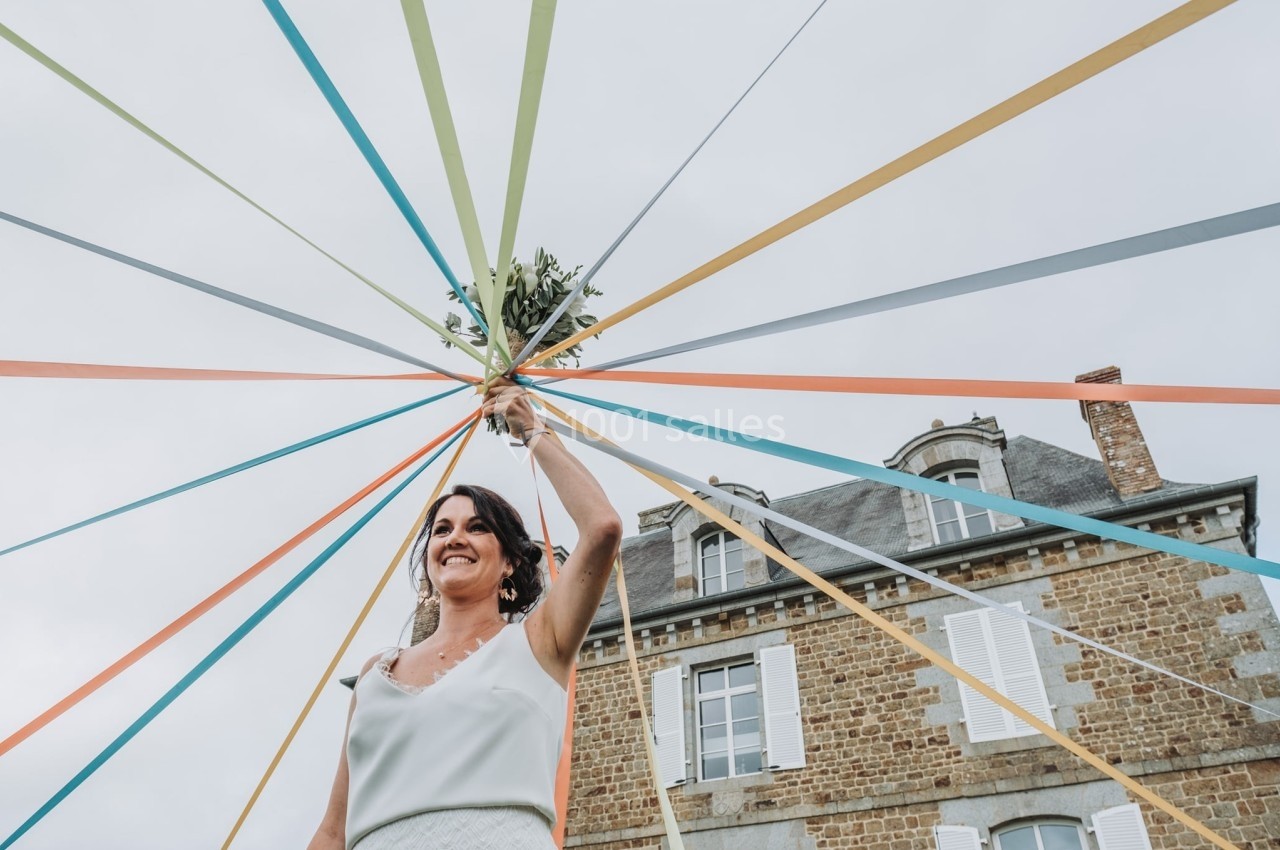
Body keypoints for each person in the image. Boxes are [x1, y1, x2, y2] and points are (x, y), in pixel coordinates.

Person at [308, 381, 622, 850]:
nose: (455, 538)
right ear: (430, 553)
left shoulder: (538, 643)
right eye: (442, 529)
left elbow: (602, 527)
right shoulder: (375, 676)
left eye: (477, 527)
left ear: (512, 559)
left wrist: (531, 429)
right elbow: (334, 830)